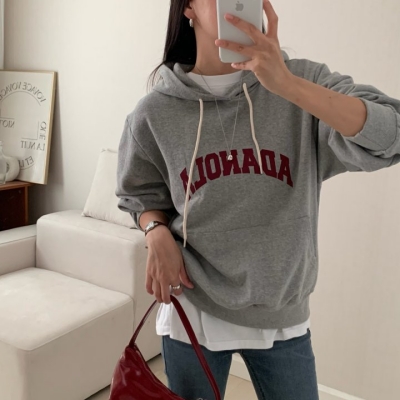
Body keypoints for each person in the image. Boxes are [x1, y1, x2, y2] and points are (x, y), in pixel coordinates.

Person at [115, 0, 400, 399]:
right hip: (193, 306)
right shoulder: (155, 111)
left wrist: (287, 85)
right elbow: (138, 192)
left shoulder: (301, 82)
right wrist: (155, 229)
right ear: (188, 8)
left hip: (281, 312)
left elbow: (392, 134)